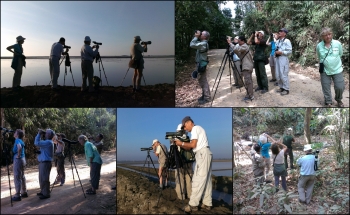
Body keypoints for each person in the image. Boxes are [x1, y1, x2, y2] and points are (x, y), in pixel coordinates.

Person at [174, 116, 212, 212]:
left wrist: (180, 144)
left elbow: (192, 145)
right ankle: (207, 203)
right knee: (206, 180)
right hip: (205, 153)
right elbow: (190, 147)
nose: (185, 130)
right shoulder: (198, 129)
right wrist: (180, 144)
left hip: (202, 154)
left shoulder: (195, 128)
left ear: (188, 123)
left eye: (185, 127)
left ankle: (193, 205)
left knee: (197, 180)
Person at [316, 27, 345, 107]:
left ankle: (339, 100)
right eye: (325, 35)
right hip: (325, 70)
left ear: (331, 34)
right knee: (326, 87)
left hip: (337, 69)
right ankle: (328, 101)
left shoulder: (337, 43)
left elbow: (340, 54)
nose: (328, 36)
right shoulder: (319, 46)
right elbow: (319, 56)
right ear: (322, 37)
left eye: (329, 34)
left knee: (340, 87)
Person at [228, 36, 254, 101]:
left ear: (243, 41)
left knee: (248, 81)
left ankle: (250, 95)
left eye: (239, 41)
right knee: (247, 81)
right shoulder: (241, 47)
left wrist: (231, 43)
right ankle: (249, 94)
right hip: (245, 66)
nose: (238, 42)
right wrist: (232, 44)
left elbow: (237, 49)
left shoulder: (245, 46)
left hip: (247, 66)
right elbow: (237, 52)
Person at [190, 30, 211, 104]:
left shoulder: (203, 44)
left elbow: (192, 44)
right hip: (201, 64)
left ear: (204, 36)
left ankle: (207, 97)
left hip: (201, 64)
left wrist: (195, 37)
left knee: (203, 81)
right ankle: (204, 95)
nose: (200, 34)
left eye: (201, 34)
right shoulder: (203, 43)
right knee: (201, 80)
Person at [34, 129, 55, 199]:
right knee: (41, 178)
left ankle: (46, 193)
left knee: (44, 178)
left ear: (49, 135)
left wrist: (39, 134)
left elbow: (36, 143)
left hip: (45, 163)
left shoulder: (48, 142)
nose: (45, 133)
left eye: (46, 133)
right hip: (43, 162)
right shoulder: (47, 142)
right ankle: (43, 191)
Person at [174, 124, 192, 200]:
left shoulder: (177, 140)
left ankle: (181, 196)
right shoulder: (188, 139)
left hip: (179, 161)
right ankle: (190, 195)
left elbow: (174, 152)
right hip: (189, 161)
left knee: (179, 178)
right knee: (189, 179)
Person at [275, 28, 292, 95]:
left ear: (284, 33)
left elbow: (290, 51)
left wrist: (281, 52)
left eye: (281, 31)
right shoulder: (278, 41)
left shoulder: (287, 41)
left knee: (283, 74)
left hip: (283, 58)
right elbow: (274, 47)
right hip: (277, 58)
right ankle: (281, 87)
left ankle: (286, 89)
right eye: (279, 31)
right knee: (278, 74)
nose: (279, 32)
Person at [11, 129, 28, 201]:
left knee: (17, 176)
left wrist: (18, 155)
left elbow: (19, 147)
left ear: (17, 135)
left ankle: (17, 195)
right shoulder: (21, 140)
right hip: (23, 159)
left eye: (15, 132)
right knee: (22, 175)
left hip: (18, 159)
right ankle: (24, 192)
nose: (14, 133)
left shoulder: (17, 140)